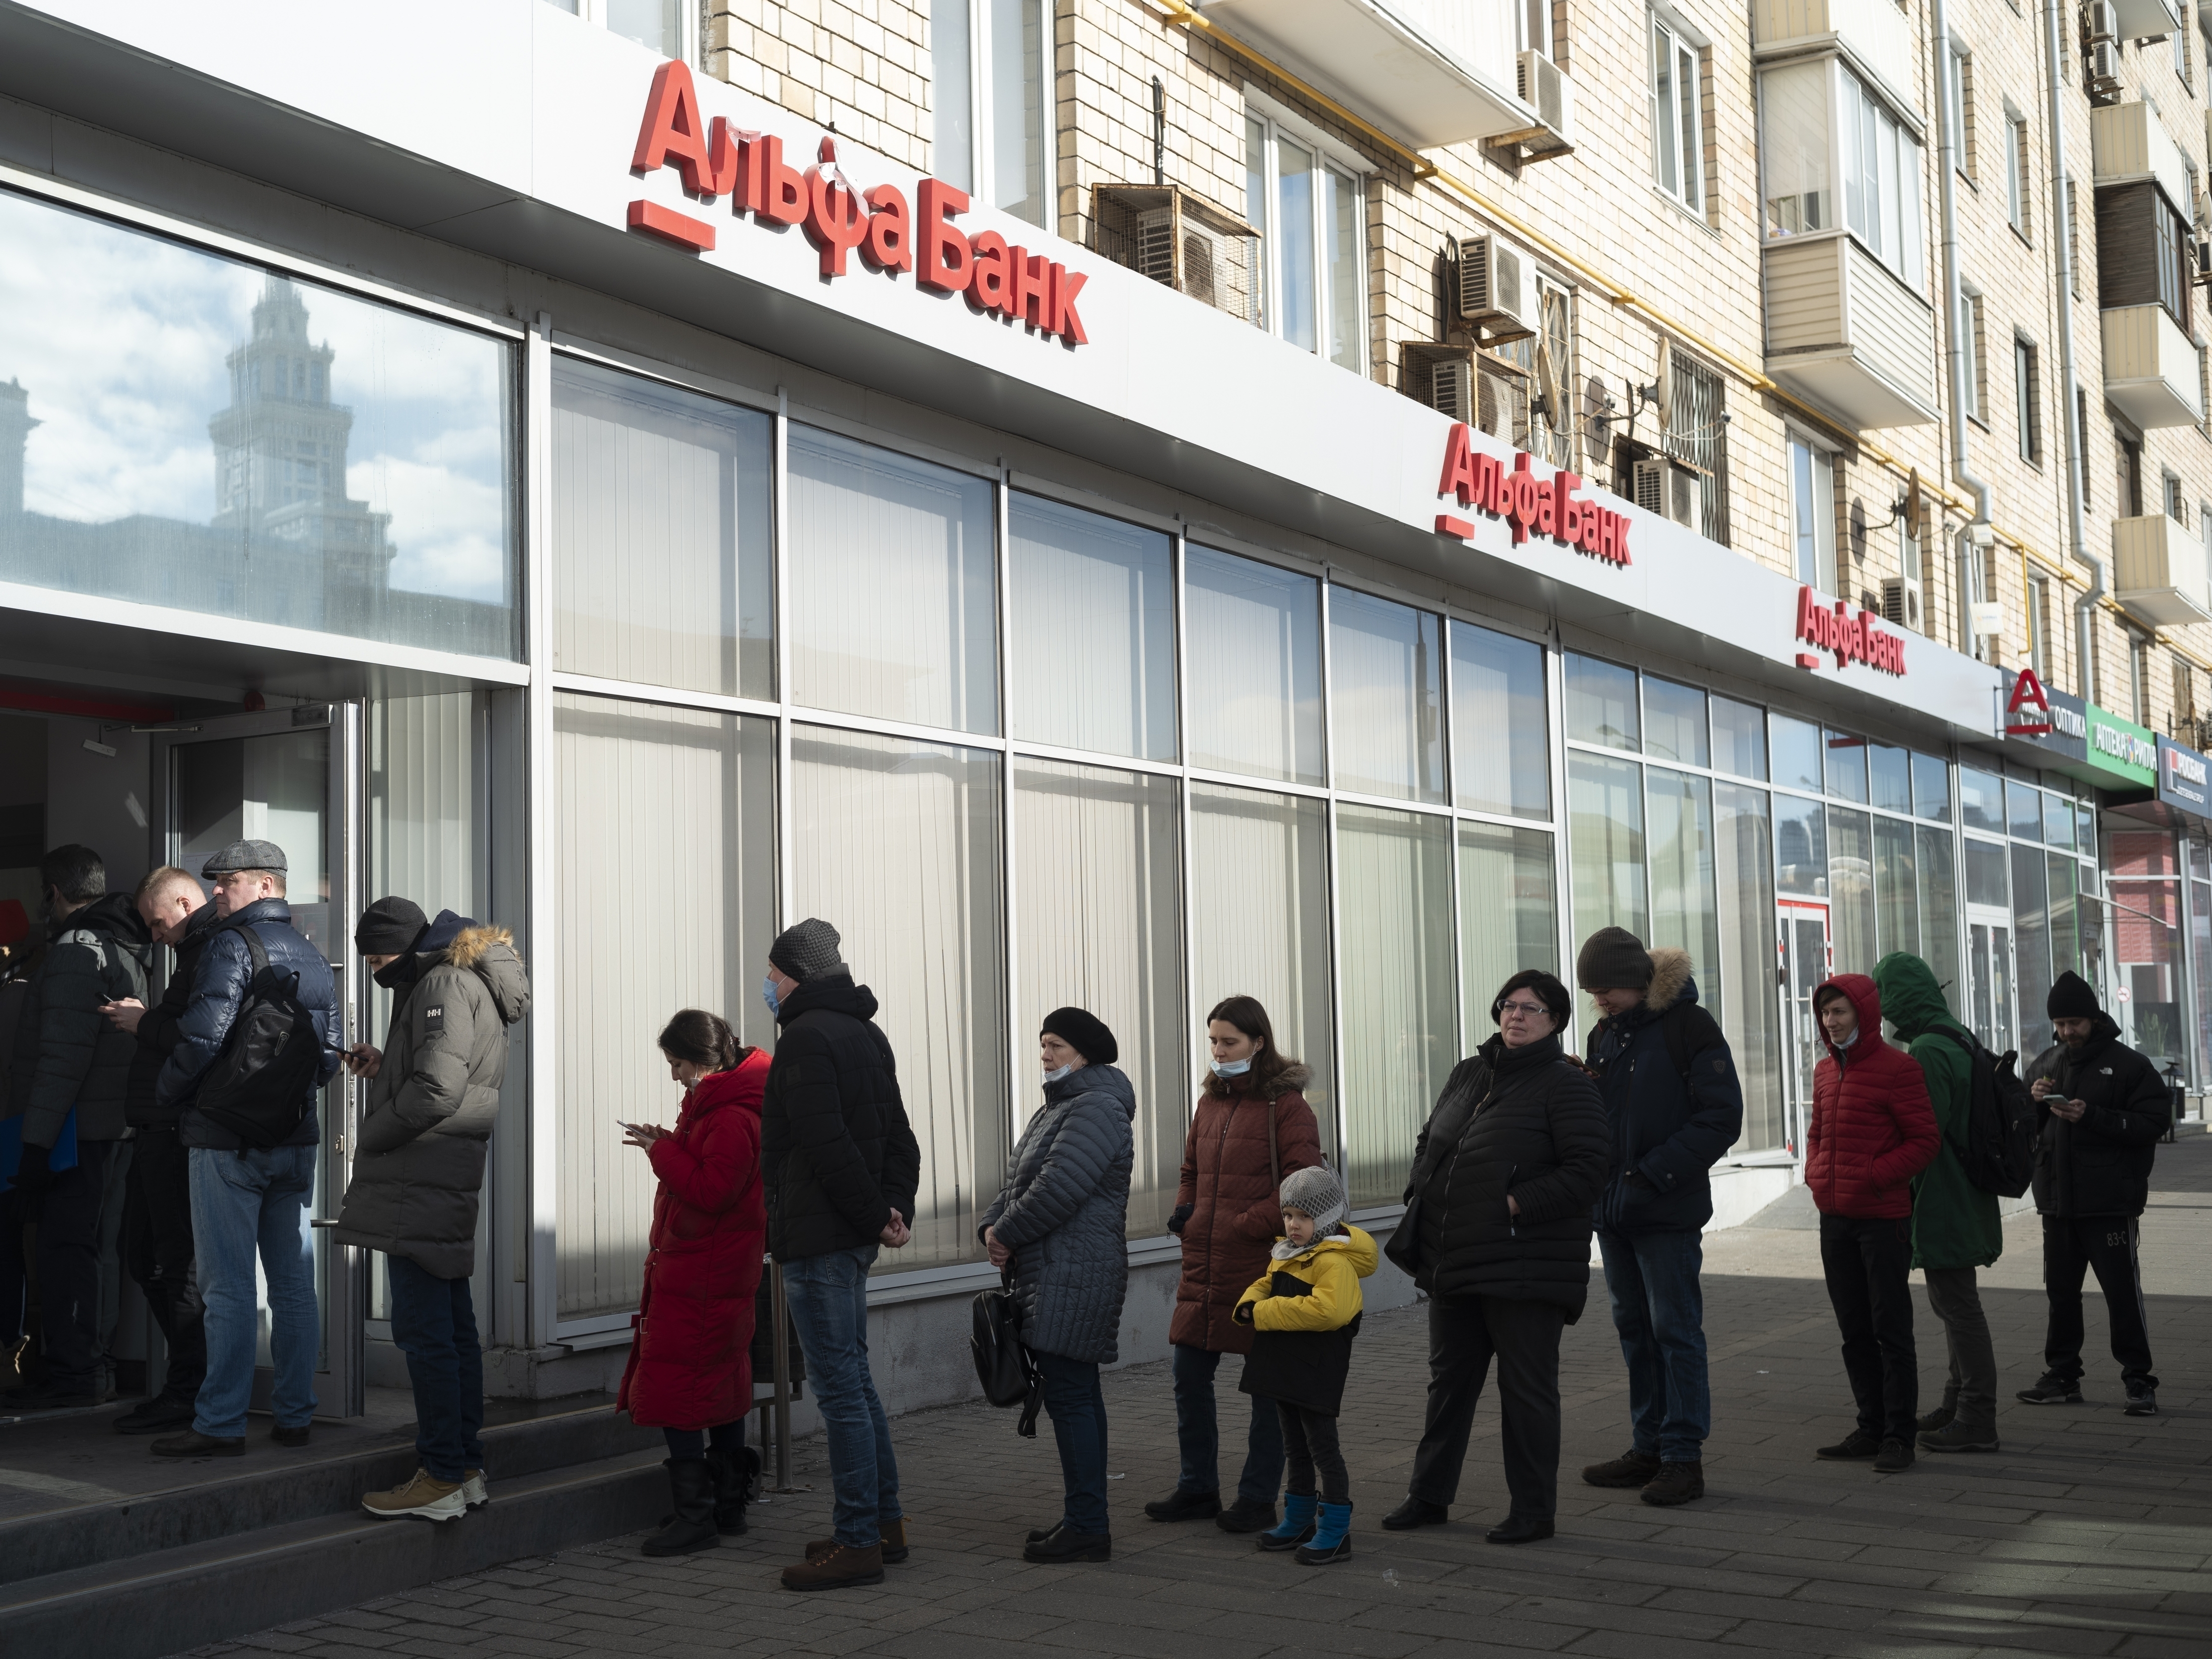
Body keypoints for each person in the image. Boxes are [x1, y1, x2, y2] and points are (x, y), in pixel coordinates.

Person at [1382, 969, 1610, 1544]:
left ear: (1555, 1020)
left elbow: (1588, 1170)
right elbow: (1431, 1137)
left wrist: (1513, 1203)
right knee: (1449, 1384)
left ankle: (1533, 1512)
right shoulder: (1470, 1072)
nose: (1517, 1015)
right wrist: (1422, 1188)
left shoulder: (1568, 1084)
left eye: (1532, 1008)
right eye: (1510, 1005)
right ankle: (1429, 1497)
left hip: (1524, 1265)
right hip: (1454, 1255)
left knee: (1527, 1390)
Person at [335, 898, 532, 1520]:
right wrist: (384, 1067)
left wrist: (372, 1132)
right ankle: (464, 1469)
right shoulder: (460, 977)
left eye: (377, 958)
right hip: (441, 1176)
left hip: (418, 1179)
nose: (375, 971)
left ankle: (442, 1474)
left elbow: (439, 1090)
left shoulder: (441, 981)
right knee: (451, 1332)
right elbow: (439, 1073)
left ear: (403, 947)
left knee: (426, 1334)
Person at [149, 841, 341, 1458]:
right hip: (294, 1140)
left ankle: (221, 1422)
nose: (219, 893)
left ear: (265, 886)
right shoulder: (314, 953)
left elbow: (202, 1040)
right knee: (291, 1286)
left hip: (227, 1141)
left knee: (227, 1288)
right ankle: (295, 1414)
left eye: (229, 882)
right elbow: (329, 1057)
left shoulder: (232, 946)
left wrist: (170, 1096)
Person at [758, 918, 920, 1592]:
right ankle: (882, 1526)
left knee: (842, 1394)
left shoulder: (804, 1038)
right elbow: (899, 1139)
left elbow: (826, 1147)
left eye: (771, 976)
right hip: (849, 1234)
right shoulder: (865, 1031)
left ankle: (858, 1542)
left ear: (796, 974)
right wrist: (891, 1209)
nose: (767, 987)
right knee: (857, 1384)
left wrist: (870, 1212)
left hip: (820, 1238)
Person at [1574, 928, 1742, 1508]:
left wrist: (1650, 1174)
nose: (1599, 1000)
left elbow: (1721, 1117)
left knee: (1675, 1331)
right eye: (1592, 991)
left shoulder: (1689, 1027)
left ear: (1636, 980)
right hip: (1613, 1211)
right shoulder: (1604, 1035)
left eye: (1606, 989)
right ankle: (1647, 1445)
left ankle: (1682, 1457)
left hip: (1665, 1209)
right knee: (1635, 1332)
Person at [1146, 995, 1322, 1536]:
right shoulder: (1212, 1102)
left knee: (1266, 1391)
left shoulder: (1286, 1107)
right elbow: (1191, 1167)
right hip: (1203, 1262)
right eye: (1214, 1041)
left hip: (1260, 1264)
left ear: (1259, 1043)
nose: (1219, 1052)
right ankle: (1197, 1487)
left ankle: (1256, 1497)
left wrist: (1246, 1223)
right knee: (1188, 1377)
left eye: (1230, 1042)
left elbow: (1305, 1186)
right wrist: (1187, 1211)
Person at [979, 1007, 1135, 1564]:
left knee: (1071, 1398)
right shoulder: (1058, 1109)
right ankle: (1082, 1518)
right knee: (1074, 1395)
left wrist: (1007, 1233)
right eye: (1043, 1044)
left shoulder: (1097, 1108)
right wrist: (991, 1228)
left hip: (1077, 1272)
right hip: (1053, 1271)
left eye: (1056, 1046)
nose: (1044, 1054)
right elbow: (1018, 1179)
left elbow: (1058, 1189)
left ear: (1085, 1055)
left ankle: (1089, 1526)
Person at [617, 1008, 769, 1555]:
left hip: (704, 1272)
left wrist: (661, 1153)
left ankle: (696, 1517)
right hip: (712, 1269)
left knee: (677, 1388)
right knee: (720, 1389)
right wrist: (669, 1143)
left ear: (704, 1061)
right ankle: (726, 1508)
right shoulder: (723, 1105)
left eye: (678, 1064)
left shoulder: (729, 1115)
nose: (675, 1075)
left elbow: (711, 1192)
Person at [3, 844, 150, 1409]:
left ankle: (73, 1372)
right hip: (116, 1130)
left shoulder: (74, 951)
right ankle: (96, 1366)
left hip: (76, 1134)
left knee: (68, 1249)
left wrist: (34, 1144)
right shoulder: (127, 945)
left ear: (54, 893)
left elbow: (61, 1060)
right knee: (99, 1250)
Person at [2017, 971, 2169, 1416]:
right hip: (2057, 1202)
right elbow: (2024, 1126)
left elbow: (2154, 1121)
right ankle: (2062, 1376)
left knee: (2122, 1293)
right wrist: (2033, 1101)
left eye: (2074, 1023)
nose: (2067, 1032)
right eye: (2060, 1024)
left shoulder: (2129, 1065)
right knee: (2061, 1295)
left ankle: (2139, 1380)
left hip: (2109, 1202)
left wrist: (2094, 1116)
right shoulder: (2047, 1063)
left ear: (2094, 1018)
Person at [1870, 952, 2004, 1454]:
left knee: (1957, 1305)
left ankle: (1976, 1415)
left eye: (1885, 998)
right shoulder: (1957, 1034)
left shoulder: (1928, 1049)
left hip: (1943, 1192)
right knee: (1953, 1302)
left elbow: (1922, 1131)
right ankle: (1956, 1402)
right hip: (1965, 1188)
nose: (1882, 1013)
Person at [1805, 974, 1938, 1474]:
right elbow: (1817, 1132)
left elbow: (1924, 1142)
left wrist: (1874, 1176)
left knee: (1891, 1328)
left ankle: (1899, 1436)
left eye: (1839, 1012)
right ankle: (1871, 1426)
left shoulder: (1900, 1069)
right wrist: (1817, 1175)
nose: (1831, 1022)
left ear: (1864, 1013)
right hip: (1835, 1218)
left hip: (1883, 1220)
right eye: (1825, 1014)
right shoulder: (1824, 1072)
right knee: (1853, 1328)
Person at [101, 866, 217, 1433]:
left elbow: (199, 1040)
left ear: (182, 901)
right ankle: (192, 1382)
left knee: (174, 1263)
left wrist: (142, 1021)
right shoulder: (195, 954)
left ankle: (192, 1386)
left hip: (173, 1129)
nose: (155, 935)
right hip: (157, 1127)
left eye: (157, 921)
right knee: (147, 1257)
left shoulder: (211, 953)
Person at [1237, 1164, 1376, 1566]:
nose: (1293, 1225)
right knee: (1293, 1446)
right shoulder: (1288, 1252)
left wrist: (1264, 1312)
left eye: (1303, 1216)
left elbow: (1329, 1312)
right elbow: (1267, 1282)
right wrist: (1248, 1303)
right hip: (1286, 1365)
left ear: (1327, 1218)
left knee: (1323, 1449)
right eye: (1288, 1215)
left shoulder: (1333, 1261)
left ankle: (1335, 1530)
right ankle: (1298, 1520)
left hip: (1316, 1367)